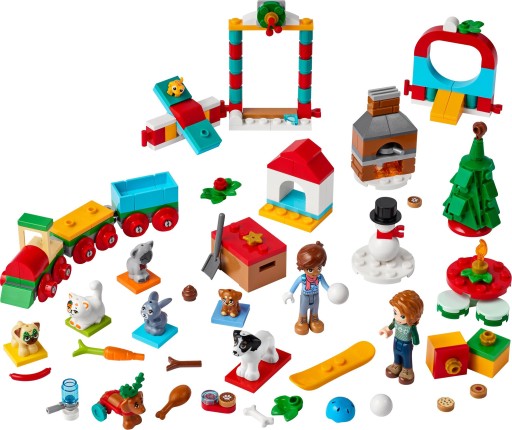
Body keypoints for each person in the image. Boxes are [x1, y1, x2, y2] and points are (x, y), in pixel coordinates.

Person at [283, 242, 329, 335]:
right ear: (303, 267)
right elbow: (295, 285)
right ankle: (302, 321)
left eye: (319, 268)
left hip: (316, 296)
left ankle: (314, 319)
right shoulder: (303, 278)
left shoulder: (319, 277)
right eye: (310, 269)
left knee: (315, 309)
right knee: (303, 309)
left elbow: (325, 285)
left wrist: (331, 291)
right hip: (305, 297)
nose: (315, 272)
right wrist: (290, 293)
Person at [379, 290, 424, 385]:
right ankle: (396, 364)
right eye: (395, 313)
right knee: (396, 354)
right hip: (396, 341)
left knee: (407, 358)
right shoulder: (395, 321)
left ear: (413, 316)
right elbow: (390, 327)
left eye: (403, 316)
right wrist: (385, 330)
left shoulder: (411, 327)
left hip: (406, 345)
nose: (398, 318)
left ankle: (407, 369)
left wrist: (415, 342)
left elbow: (416, 338)